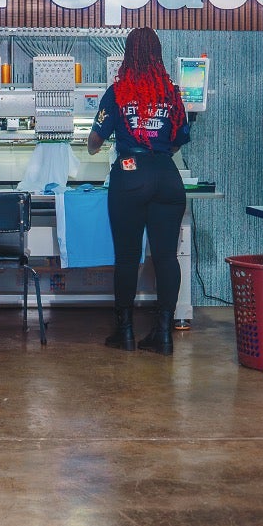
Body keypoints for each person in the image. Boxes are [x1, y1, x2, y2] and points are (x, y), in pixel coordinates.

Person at [87, 26, 191, 354]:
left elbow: (94, 143)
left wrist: (103, 142)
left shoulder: (118, 92)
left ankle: (126, 332)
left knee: (128, 256)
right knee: (166, 257)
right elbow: (177, 142)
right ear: (157, 55)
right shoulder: (172, 93)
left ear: (128, 55)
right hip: (167, 175)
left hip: (130, 174)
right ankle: (163, 334)